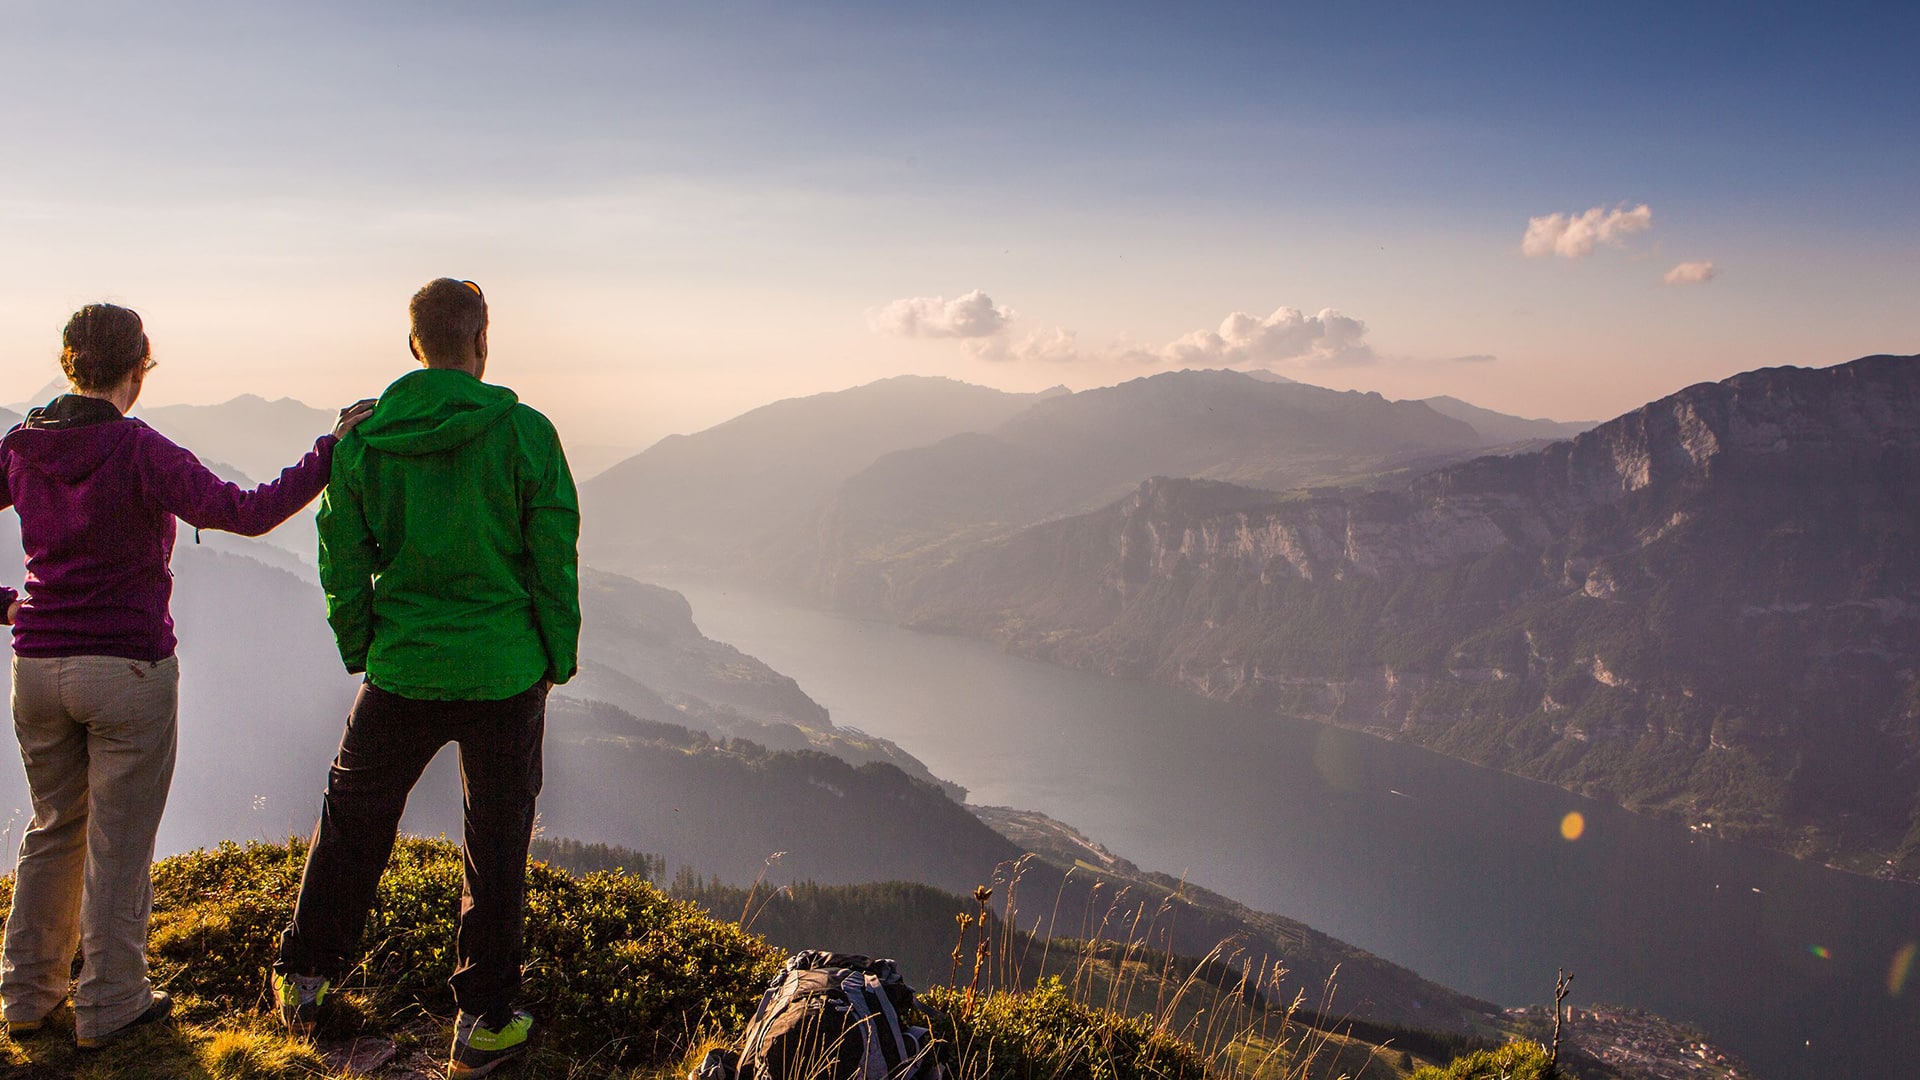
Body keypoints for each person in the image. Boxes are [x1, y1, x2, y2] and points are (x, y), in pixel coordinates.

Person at [0, 302, 373, 1048]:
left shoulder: (21, 446)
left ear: (71, 364)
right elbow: (244, 511)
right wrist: (329, 451)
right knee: (119, 843)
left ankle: (25, 997)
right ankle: (110, 1003)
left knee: (53, 830)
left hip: (36, 667)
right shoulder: (139, 450)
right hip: (127, 668)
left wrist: (10, 607)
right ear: (139, 370)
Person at [272, 278, 579, 1079]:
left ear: (415, 345)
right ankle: (485, 1021)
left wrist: (360, 643)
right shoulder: (525, 434)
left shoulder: (365, 442)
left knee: (353, 818)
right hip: (505, 672)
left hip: (401, 667)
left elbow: (341, 552)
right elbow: (553, 556)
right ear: (482, 341)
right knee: (497, 837)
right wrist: (555, 655)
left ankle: (304, 980)